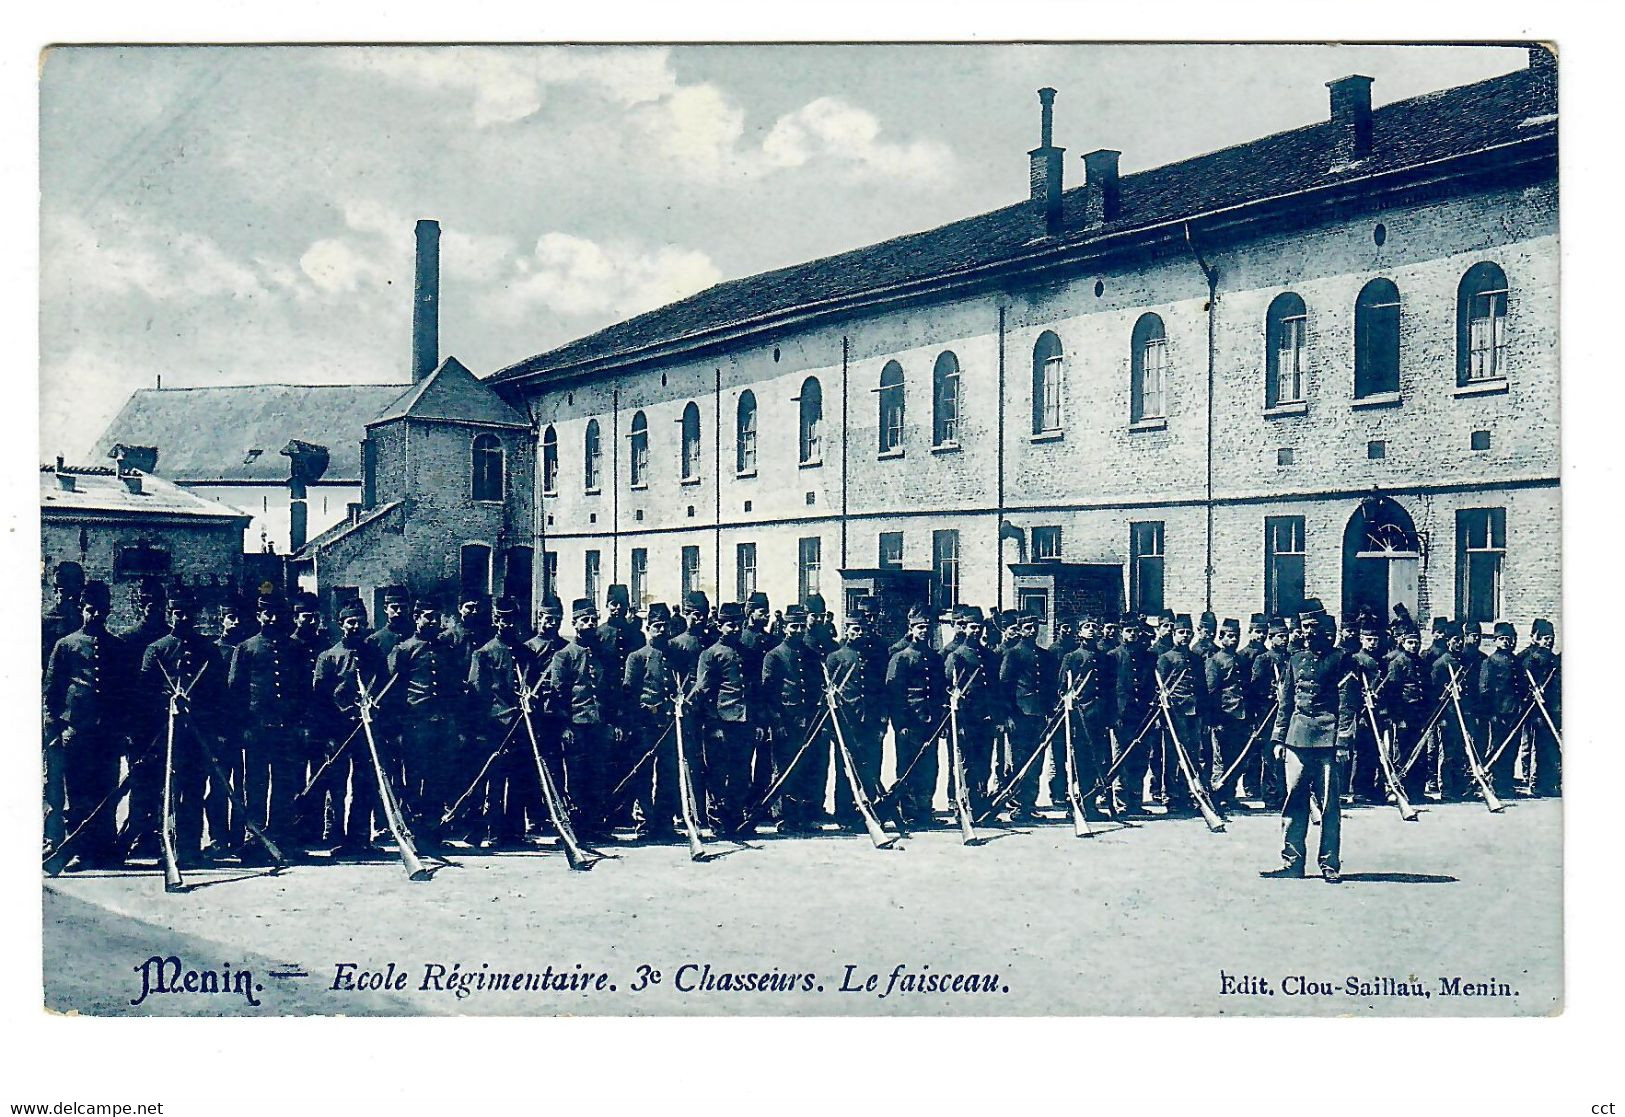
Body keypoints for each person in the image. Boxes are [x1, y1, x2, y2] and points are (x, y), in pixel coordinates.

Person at [1264, 607, 1357, 883]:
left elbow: (1347, 704)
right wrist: (1279, 737)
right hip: (1297, 738)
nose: (1308, 633)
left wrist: (1342, 742)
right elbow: (1287, 701)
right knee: (1293, 802)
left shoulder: (1341, 660)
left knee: (1329, 806)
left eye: (1314, 627)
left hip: (1328, 740)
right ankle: (1292, 862)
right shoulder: (1295, 659)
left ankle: (1329, 863)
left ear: (1328, 631)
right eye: (1305, 627)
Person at [44, 580, 129, 872]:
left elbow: (125, 695)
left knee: (106, 790)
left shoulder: (118, 647)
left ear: (108, 612)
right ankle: (78, 849)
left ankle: (105, 849)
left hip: (107, 734)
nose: (95, 616)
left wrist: (124, 732)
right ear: (82, 609)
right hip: (76, 733)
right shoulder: (65, 646)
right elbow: (52, 694)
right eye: (90, 610)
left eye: (101, 611)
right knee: (78, 793)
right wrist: (54, 731)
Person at [310, 600, 390, 856]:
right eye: (351, 622)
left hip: (366, 730)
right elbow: (320, 699)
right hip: (338, 732)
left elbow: (384, 689)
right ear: (341, 625)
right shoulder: (328, 657)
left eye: (361, 622)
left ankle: (360, 839)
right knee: (337, 784)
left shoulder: (374, 656)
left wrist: (374, 710)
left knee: (365, 783)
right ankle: (335, 837)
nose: (356, 627)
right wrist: (330, 731)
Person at [228, 593, 302, 861]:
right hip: (257, 730)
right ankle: (255, 836)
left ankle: (281, 835)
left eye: (276, 614)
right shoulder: (246, 648)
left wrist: (300, 724)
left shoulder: (293, 648)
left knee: (285, 783)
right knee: (256, 784)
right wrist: (243, 726)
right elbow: (235, 692)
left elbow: (303, 688)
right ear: (258, 616)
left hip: (286, 730)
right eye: (266, 614)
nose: (272, 619)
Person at [543, 598, 620, 840]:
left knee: (599, 775)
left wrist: (612, 722)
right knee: (576, 777)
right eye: (584, 620)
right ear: (575, 624)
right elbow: (558, 694)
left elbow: (610, 691)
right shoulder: (564, 656)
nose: (590, 624)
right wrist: (564, 725)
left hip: (598, 726)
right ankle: (575, 828)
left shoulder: (603, 655)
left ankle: (595, 825)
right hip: (576, 726)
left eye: (593, 620)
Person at [465, 596, 537, 849]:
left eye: (511, 618)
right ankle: (491, 832)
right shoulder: (483, 653)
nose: (507, 623)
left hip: (522, 725)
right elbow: (477, 694)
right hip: (495, 727)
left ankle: (514, 834)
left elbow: (534, 685)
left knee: (520, 780)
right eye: (502, 619)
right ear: (495, 620)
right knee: (494, 781)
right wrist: (497, 719)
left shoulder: (526, 652)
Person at [387, 596, 459, 845]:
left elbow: (453, 688)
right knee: (415, 777)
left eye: (436, 617)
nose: (434, 621)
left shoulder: (446, 649)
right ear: (416, 618)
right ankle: (415, 830)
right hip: (416, 724)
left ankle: (433, 828)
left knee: (439, 776)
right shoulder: (404, 649)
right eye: (428, 616)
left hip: (443, 724)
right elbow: (392, 692)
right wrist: (396, 728)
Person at [692, 601, 755, 836]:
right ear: (719, 626)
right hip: (721, 722)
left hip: (744, 722)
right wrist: (713, 724)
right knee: (718, 773)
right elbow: (705, 691)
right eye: (730, 625)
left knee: (741, 772)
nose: (735, 629)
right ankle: (717, 821)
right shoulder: (710, 654)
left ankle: (736, 820)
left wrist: (755, 722)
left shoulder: (747, 652)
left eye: (738, 625)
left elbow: (754, 689)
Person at [761, 604, 824, 832]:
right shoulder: (774, 656)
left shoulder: (811, 655)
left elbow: (816, 687)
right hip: (785, 722)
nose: (797, 631)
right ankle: (782, 817)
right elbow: (769, 693)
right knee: (783, 769)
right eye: (793, 627)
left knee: (808, 768)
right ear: (785, 628)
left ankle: (806, 817)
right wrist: (776, 722)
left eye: (800, 626)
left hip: (809, 722)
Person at [624, 603, 684, 841]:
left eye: (665, 626)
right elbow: (629, 693)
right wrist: (645, 711)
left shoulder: (675, 655)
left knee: (668, 774)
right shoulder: (636, 657)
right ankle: (644, 822)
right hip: (645, 725)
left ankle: (664, 823)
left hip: (670, 724)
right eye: (657, 626)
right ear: (648, 628)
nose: (661, 630)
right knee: (644, 774)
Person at [825, 609, 888, 832]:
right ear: (847, 631)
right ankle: (844, 815)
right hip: (847, 723)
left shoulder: (877, 657)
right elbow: (828, 696)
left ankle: (868, 811)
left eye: (863, 629)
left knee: (872, 767)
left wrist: (882, 722)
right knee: (846, 769)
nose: (860, 633)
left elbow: (882, 691)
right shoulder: (836, 657)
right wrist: (833, 728)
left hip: (870, 722)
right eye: (855, 629)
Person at [887, 604, 946, 825]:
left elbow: (939, 691)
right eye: (920, 627)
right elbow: (895, 693)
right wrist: (900, 723)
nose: (924, 631)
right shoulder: (901, 658)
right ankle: (909, 813)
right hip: (910, 722)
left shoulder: (934, 657)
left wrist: (941, 720)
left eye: (926, 627)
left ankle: (925, 810)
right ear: (911, 629)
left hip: (930, 722)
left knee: (930, 767)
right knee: (908, 765)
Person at [944, 606, 996, 821]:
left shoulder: (989, 655)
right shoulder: (956, 656)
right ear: (964, 628)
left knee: (984, 764)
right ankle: (962, 807)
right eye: (972, 627)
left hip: (986, 719)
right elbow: (948, 689)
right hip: (966, 719)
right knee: (965, 764)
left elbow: (996, 688)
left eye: (979, 627)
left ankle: (980, 803)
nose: (976, 631)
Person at [1154, 614, 1210, 814]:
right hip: (1175, 713)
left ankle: (1190, 794)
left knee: (1193, 755)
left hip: (1194, 713)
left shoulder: (1196, 659)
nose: (1184, 636)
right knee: (1172, 755)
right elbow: (1160, 691)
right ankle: (1171, 797)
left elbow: (1202, 688)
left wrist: (1205, 715)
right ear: (1174, 634)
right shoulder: (1165, 658)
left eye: (1188, 632)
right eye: (1181, 633)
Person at [1058, 613, 1107, 818]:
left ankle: (1090, 803)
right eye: (1086, 626)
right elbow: (1062, 689)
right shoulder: (1072, 657)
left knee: (1096, 759)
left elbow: (1109, 687)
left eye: (1094, 626)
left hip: (1098, 716)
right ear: (1079, 632)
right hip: (1079, 717)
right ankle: (1075, 804)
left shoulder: (1105, 657)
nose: (1091, 630)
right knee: (1079, 761)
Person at [1110, 614, 1158, 816]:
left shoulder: (1148, 657)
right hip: (1122, 716)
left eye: (1136, 631)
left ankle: (1136, 802)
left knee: (1141, 758)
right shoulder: (1113, 656)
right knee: (1121, 758)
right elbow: (1108, 689)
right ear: (1122, 632)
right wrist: (1114, 716)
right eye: (1129, 631)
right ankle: (1121, 803)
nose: (1133, 634)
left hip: (1143, 716)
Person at [739, 590, 778, 815]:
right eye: (762, 612)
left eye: (767, 612)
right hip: (748, 707)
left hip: (768, 707)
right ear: (750, 613)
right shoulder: (742, 640)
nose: (767, 616)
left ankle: (760, 805)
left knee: (765, 761)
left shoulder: (772, 640)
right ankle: (744, 805)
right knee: (744, 760)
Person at [1478, 621, 1527, 798]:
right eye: (1502, 639)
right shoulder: (1489, 662)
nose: (1506, 642)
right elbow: (1484, 690)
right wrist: (1491, 713)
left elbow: (1522, 687)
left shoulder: (1516, 661)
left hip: (1516, 713)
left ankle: (1507, 784)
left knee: (1512, 748)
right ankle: (1496, 784)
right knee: (1498, 748)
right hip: (1499, 713)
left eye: (1509, 639)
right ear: (1496, 641)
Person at [1383, 622, 1430, 804]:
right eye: (1410, 642)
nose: (1414, 645)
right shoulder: (1397, 663)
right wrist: (1398, 717)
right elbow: (1393, 693)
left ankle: (1418, 791)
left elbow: (1427, 689)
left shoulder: (1420, 662)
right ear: (1402, 642)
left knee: (1421, 753)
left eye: (1416, 642)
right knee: (1405, 753)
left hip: (1420, 715)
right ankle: (1405, 790)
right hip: (1405, 715)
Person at [1205, 619, 1249, 808]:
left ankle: (1230, 795)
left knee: (1237, 757)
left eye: (1236, 637)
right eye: (1230, 636)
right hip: (1224, 716)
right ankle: (1217, 795)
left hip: (1240, 716)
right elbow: (1212, 692)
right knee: (1220, 759)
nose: (1234, 640)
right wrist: (1215, 720)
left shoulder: (1241, 659)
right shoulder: (1214, 661)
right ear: (1221, 638)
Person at [1248, 618, 1291, 809]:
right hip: (1268, 714)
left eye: (1286, 636)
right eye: (1280, 637)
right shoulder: (1263, 659)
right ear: (1271, 638)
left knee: (1286, 755)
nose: (1284, 640)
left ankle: (1285, 794)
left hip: (1287, 713)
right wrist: (1270, 694)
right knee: (1270, 756)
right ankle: (1271, 796)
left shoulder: (1291, 659)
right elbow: (1254, 688)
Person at [1345, 618, 1389, 805]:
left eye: (1375, 640)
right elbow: (1349, 689)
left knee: (1379, 751)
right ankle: (1360, 790)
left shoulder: (1382, 660)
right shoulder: (1356, 659)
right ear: (1362, 639)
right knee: (1363, 751)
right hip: (1363, 713)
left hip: (1379, 713)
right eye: (1368, 639)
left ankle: (1376, 789)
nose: (1372, 643)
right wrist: (1361, 701)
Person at [1521, 618, 1561, 797]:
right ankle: (1534, 782)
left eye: (1551, 637)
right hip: (1535, 711)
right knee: (1535, 746)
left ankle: (1550, 782)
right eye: (1545, 638)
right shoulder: (1530, 659)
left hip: (1553, 709)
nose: (1549, 641)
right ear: (1536, 639)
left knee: (1550, 747)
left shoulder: (1555, 660)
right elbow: (1524, 685)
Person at [42, 563, 84, 669]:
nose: (56, 593)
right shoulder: (46, 621)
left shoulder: (85, 618)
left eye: (60, 589)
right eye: (56, 589)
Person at [367, 586, 414, 659]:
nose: (399, 611)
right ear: (385, 609)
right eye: (394, 607)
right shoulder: (375, 640)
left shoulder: (414, 635)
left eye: (403, 607)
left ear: (409, 609)